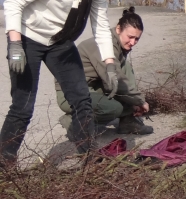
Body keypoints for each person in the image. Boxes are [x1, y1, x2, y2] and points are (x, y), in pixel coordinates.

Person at [0, 0, 121, 167]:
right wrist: (15, 45)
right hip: (27, 36)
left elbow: (100, 25)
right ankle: (4, 163)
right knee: (23, 106)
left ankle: (88, 155)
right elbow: (14, 3)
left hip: (60, 41)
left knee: (82, 99)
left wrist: (109, 64)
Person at [56, 6, 152, 135]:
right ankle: (74, 123)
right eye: (130, 37)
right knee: (113, 108)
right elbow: (116, 80)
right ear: (118, 29)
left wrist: (134, 101)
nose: (133, 42)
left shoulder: (117, 43)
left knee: (125, 67)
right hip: (70, 94)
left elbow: (119, 79)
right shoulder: (104, 45)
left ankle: (128, 121)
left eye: (137, 39)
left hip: (91, 86)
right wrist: (140, 101)